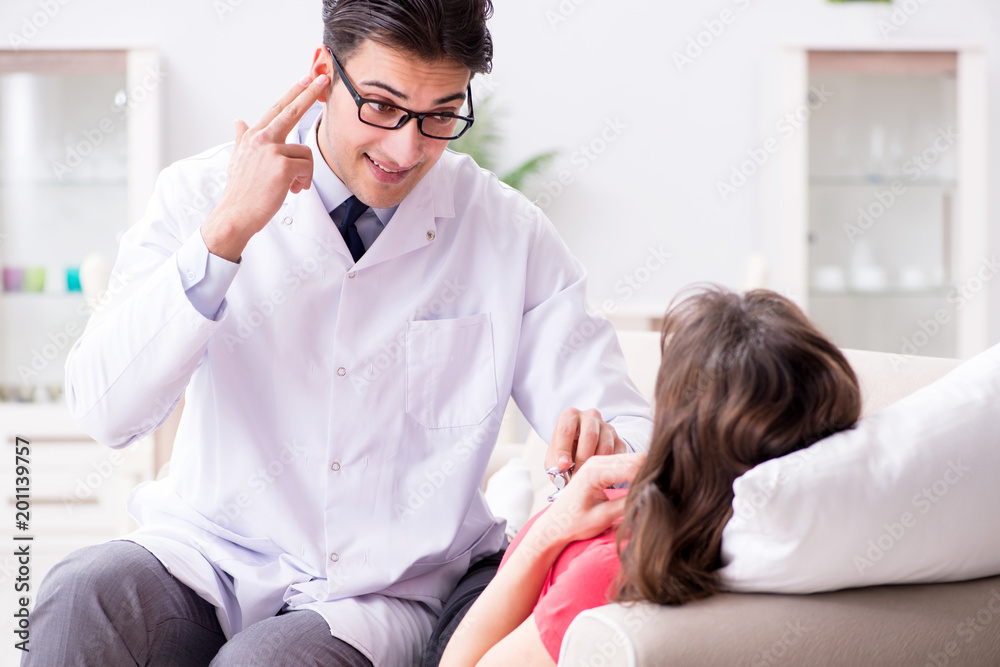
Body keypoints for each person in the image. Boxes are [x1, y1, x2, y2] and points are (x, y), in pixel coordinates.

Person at [27, 1, 652, 666]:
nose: (406, 149)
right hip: (209, 555)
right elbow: (106, 412)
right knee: (81, 596)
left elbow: (631, 437)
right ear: (325, 72)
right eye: (382, 105)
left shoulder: (507, 234)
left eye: (441, 114)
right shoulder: (203, 193)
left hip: (384, 592)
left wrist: (598, 441)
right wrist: (225, 236)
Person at [439, 285, 862, 665]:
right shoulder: (829, 545)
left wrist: (551, 527)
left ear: (682, 429)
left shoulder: (615, 571)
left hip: (488, 596)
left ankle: (513, 500)